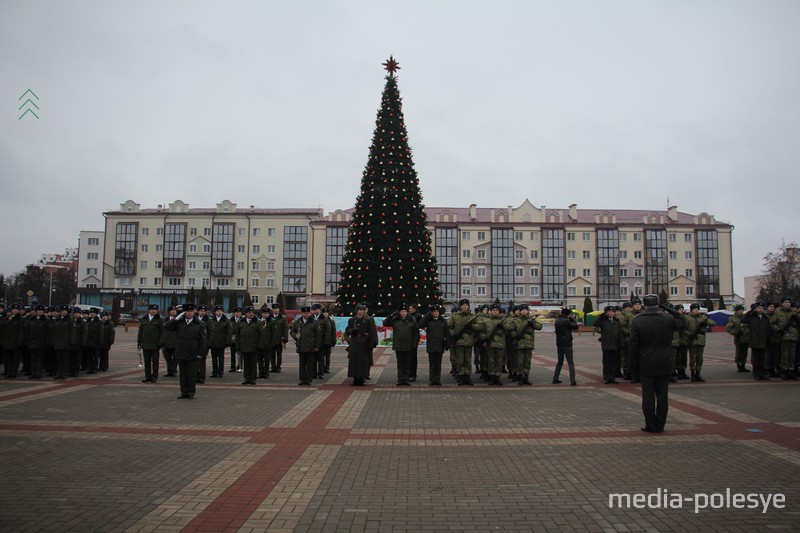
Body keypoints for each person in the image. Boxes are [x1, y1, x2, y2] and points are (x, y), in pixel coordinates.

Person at [629, 294, 686, 433]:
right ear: (658, 304)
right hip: (665, 361)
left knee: (648, 396)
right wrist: (669, 309)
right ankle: (660, 424)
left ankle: (650, 425)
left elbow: (633, 345)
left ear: (643, 304)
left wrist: (633, 366)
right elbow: (683, 321)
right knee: (662, 396)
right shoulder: (668, 319)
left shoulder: (638, 321)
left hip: (646, 362)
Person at [166, 303, 207, 399]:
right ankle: (183, 392)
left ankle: (191, 392)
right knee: (183, 374)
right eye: (188, 311)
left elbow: (203, 340)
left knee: (192, 374)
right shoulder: (179, 323)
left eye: (191, 311)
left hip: (193, 353)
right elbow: (167, 327)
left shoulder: (199, 324)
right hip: (181, 351)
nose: (190, 313)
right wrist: (175, 319)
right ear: (184, 312)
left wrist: (200, 353)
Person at [447, 299, 482, 386]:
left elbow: (480, 326)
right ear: (460, 307)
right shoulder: (455, 317)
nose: (464, 307)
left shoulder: (472, 317)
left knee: (468, 360)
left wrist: (472, 326)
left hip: (469, 342)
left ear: (468, 307)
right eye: (463, 305)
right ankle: (462, 377)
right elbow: (448, 326)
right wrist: (453, 334)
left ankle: (468, 377)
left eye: (466, 305)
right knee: (460, 361)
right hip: (459, 342)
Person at [383, 303, 420, 386]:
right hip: (398, 346)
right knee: (400, 364)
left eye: (405, 311)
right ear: (399, 312)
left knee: (407, 364)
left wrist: (414, 344)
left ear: (407, 312)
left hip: (408, 345)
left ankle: (406, 380)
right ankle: (400, 380)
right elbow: (385, 323)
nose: (404, 313)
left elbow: (416, 333)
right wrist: (391, 315)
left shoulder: (412, 320)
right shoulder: (395, 319)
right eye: (402, 311)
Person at [510, 305, 542, 385]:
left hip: (529, 344)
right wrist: (515, 335)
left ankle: (526, 378)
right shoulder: (516, 320)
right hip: (520, 344)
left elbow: (539, 326)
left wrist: (532, 324)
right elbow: (511, 331)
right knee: (520, 362)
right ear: (519, 311)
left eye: (525, 310)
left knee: (527, 362)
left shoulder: (531, 320)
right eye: (522, 310)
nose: (524, 311)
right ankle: (520, 377)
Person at [419, 304, 449, 386]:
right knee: (432, 364)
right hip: (431, 346)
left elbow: (447, 333)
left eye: (437, 312)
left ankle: (438, 380)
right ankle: (432, 380)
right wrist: (428, 314)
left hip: (440, 345)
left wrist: (447, 344)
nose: (436, 313)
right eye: (434, 312)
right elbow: (421, 325)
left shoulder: (443, 321)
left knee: (438, 364)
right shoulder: (429, 321)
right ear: (432, 313)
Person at [685, 303, 716, 382]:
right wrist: (690, 335)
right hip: (692, 341)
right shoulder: (687, 318)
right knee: (693, 359)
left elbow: (713, 324)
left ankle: (698, 374)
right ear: (691, 310)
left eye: (697, 309)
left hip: (701, 340)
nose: (696, 310)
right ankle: (693, 374)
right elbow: (684, 330)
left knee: (700, 359)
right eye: (694, 309)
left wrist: (705, 321)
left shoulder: (702, 317)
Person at [291, 306, 321, 386]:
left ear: (310, 313)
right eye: (304, 313)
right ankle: (302, 379)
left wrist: (317, 346)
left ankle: (309, 380)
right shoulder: (298, 322)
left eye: (307, 313)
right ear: (302, 313)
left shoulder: (314, 322)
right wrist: (295, 335)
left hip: (311, 347)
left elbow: (318, 335)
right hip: (301, 346)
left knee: (310, 364)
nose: (306, 314)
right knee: (302, 365)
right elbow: (292, 331)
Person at [769, 296, 799, 380]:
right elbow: (771, 323)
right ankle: (784, 370)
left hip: (793, 336)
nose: (787, 304)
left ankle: (791, 370)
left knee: (792, 355)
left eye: (788, 302)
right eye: (785, 302)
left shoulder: (793, 313)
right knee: (784, 355)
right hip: (783, 337)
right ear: (782, 304)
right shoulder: (778, 313)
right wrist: (778, 330)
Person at [345, 304, 373, 386]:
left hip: (363, 343)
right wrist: (352, 331)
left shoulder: (367, 320)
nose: (361, 312)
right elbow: (347, 330)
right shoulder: (352, 320)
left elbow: (371, 332)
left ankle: (361, 379)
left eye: (362, 310)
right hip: (354, 343)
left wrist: (369, 342)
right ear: (356, 311)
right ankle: (355, 379)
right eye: (359, 310)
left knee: (362, 362)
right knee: (354, 361)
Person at [593, 305, 623, 384]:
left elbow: (620, 333)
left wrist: (621, 343)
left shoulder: (617, 321)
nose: (611, 313)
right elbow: (595, 324)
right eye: (609, 312)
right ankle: (606, 377)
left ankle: (612, 378)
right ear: (606, 313)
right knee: (606, 362)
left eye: (612, 312)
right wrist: (602, 316)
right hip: (606, 345)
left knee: (613, 362)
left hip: (615, 345)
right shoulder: (603, 321)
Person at [743, 302, 771, 380]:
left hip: (763, 341)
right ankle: (756, 373)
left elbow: (768, 330)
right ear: (756, 309)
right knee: (756, 359)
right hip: (755, 341)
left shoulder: (766, 318)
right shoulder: (751, 317)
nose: (760, 309)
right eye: (759, 308)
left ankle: (762, 373)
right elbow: (743, 320)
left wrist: (768, 339)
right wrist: (750, 311)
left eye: (762, 308)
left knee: (762, 359)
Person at [137, 304, 164, 383]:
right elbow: (140, 331)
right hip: (145, 344)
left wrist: (161, 342)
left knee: (155, 362)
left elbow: (163, 332)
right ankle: (147, 376)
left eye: (155, 310)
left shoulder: (159, 319)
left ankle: (154, 376)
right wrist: (139, 341)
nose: (153, 311)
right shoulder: (144, 319)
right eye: (152, 309)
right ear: (149, 310)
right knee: (147, 361)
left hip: (155, 344)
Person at [236, 306, 261, 385]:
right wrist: (238, 346)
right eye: (249, 312)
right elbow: (238, 335)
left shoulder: (257, 322)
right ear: (246, 313)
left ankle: (253, 379)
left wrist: (259, 346)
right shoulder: (241, 322)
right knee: (246, 364)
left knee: (253, 363)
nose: (251, 314)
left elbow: (261, 335)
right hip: (244, 346)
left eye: (252, 312)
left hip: (254, 346)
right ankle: (247, 378)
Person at [553, 308, 579, 386]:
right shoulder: (566, 321)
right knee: (570, 362)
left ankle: (555, 378)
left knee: (559, 362)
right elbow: (575, 326)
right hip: (567, 344)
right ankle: (572, 380)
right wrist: (573, 319)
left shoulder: (557, 320)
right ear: (567, 314)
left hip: (559, 344)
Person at [208, 305, 232, 378]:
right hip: (213, 342)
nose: (219, 312)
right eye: (217, 311)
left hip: (221, 342)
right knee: (214, 358)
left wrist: (227, 342)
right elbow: (209, 331)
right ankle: (214, 372)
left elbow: (229, 332)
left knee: (221, 358)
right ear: (215, 312)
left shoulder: (226, 321)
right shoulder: (211, 320)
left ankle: (220, 372)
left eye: (220, 311)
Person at [726, 304, 750, 372]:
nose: (741, 311)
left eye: (742, 310)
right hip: (738, 338)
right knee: (739, 352)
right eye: (739, 310)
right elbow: (728, 328)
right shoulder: (733, 319)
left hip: (745, 338)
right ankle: (738, 365)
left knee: (745, 353)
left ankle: (743, 365)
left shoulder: (745, 318)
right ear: (736, 311)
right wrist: (735, 333)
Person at [269, 303, 289, 373]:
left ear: (279, 310)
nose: (276, 310)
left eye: (277, 309)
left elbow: (285, 329)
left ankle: (278, 367)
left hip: (279, 339)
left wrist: (285, 338)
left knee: (279, 354)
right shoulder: (270, 317)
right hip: (271, 339)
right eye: (274, 309)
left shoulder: (283, 318)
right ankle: (273, 367)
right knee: (272, 354)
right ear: (272, 310)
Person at [257, 306, 273, 379]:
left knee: (267, 360)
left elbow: (274, 333)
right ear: (261, 314)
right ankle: (261, 372)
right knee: (259, 360)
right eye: (264, 313)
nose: (265, 315)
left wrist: (271, 343)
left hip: (268, 344)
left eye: (266, 313)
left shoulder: (271, 322)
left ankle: (266, 373)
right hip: (259, 344)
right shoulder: (258, 321)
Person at [161, 306, 178, 377]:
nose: (174, 311)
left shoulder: (178, 319)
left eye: (175, 310)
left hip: (175, 341)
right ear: (169, 312)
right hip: (167, 341)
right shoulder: (165, 319)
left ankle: (173, 370)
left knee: (175, 357)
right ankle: (169, 371)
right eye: (172, 310)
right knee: (167, 358)